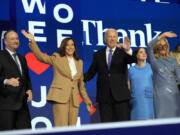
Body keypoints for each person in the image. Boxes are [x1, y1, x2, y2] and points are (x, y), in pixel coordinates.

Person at [21, 30, 92, 127]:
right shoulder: (57, 58)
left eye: (72, 45)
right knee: (61, 128)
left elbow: (81, 85)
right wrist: (32, 41)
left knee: (73, 129)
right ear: (64, 47)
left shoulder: (80, 62)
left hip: (74, 100)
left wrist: (87, 101)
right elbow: (41, 57)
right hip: (60, 97)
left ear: (75, 47)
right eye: (67, 45)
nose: (70, 47)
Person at [84, 29, 137, 122]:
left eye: (114, 37)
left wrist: (128, 49)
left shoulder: (123, 53)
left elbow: (133, 59)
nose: (112, 39)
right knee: (107, 127)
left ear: (117, 39)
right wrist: (77, 79)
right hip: (104, 98)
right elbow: (91, 73)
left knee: (124, 127)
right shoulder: (98, 54)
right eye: (109, 36)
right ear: (105, 39)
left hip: (121, 97)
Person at [0, 30, 32, 130]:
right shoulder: (1, 56)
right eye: (12, 39)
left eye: (17, 38)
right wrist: (6, 81)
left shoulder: (22, 58)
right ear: (5, 42)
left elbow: (26, 78)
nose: (16, 41)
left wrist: (29, 89)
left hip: (22, 105)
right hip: (6, 105)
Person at [147, 31, 180, 118]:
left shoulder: (173, 60)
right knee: (161, 121)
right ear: (157, 48)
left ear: (167, 47)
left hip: (174, 95)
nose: (163, 47)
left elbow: (179, 77)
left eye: (165, 46)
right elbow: (149, 46)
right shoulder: (154, 60)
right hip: (160, 96)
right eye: (160, 46)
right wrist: (163, 35)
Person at [128, 47, 154, 120]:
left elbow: (156, 84)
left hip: (149, 101)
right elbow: (128, 87)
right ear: (136, 55)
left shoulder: (152, 67)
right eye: (141, 52)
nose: (144, 53)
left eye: (144, 52)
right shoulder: (130, 70)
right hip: (135, 102)